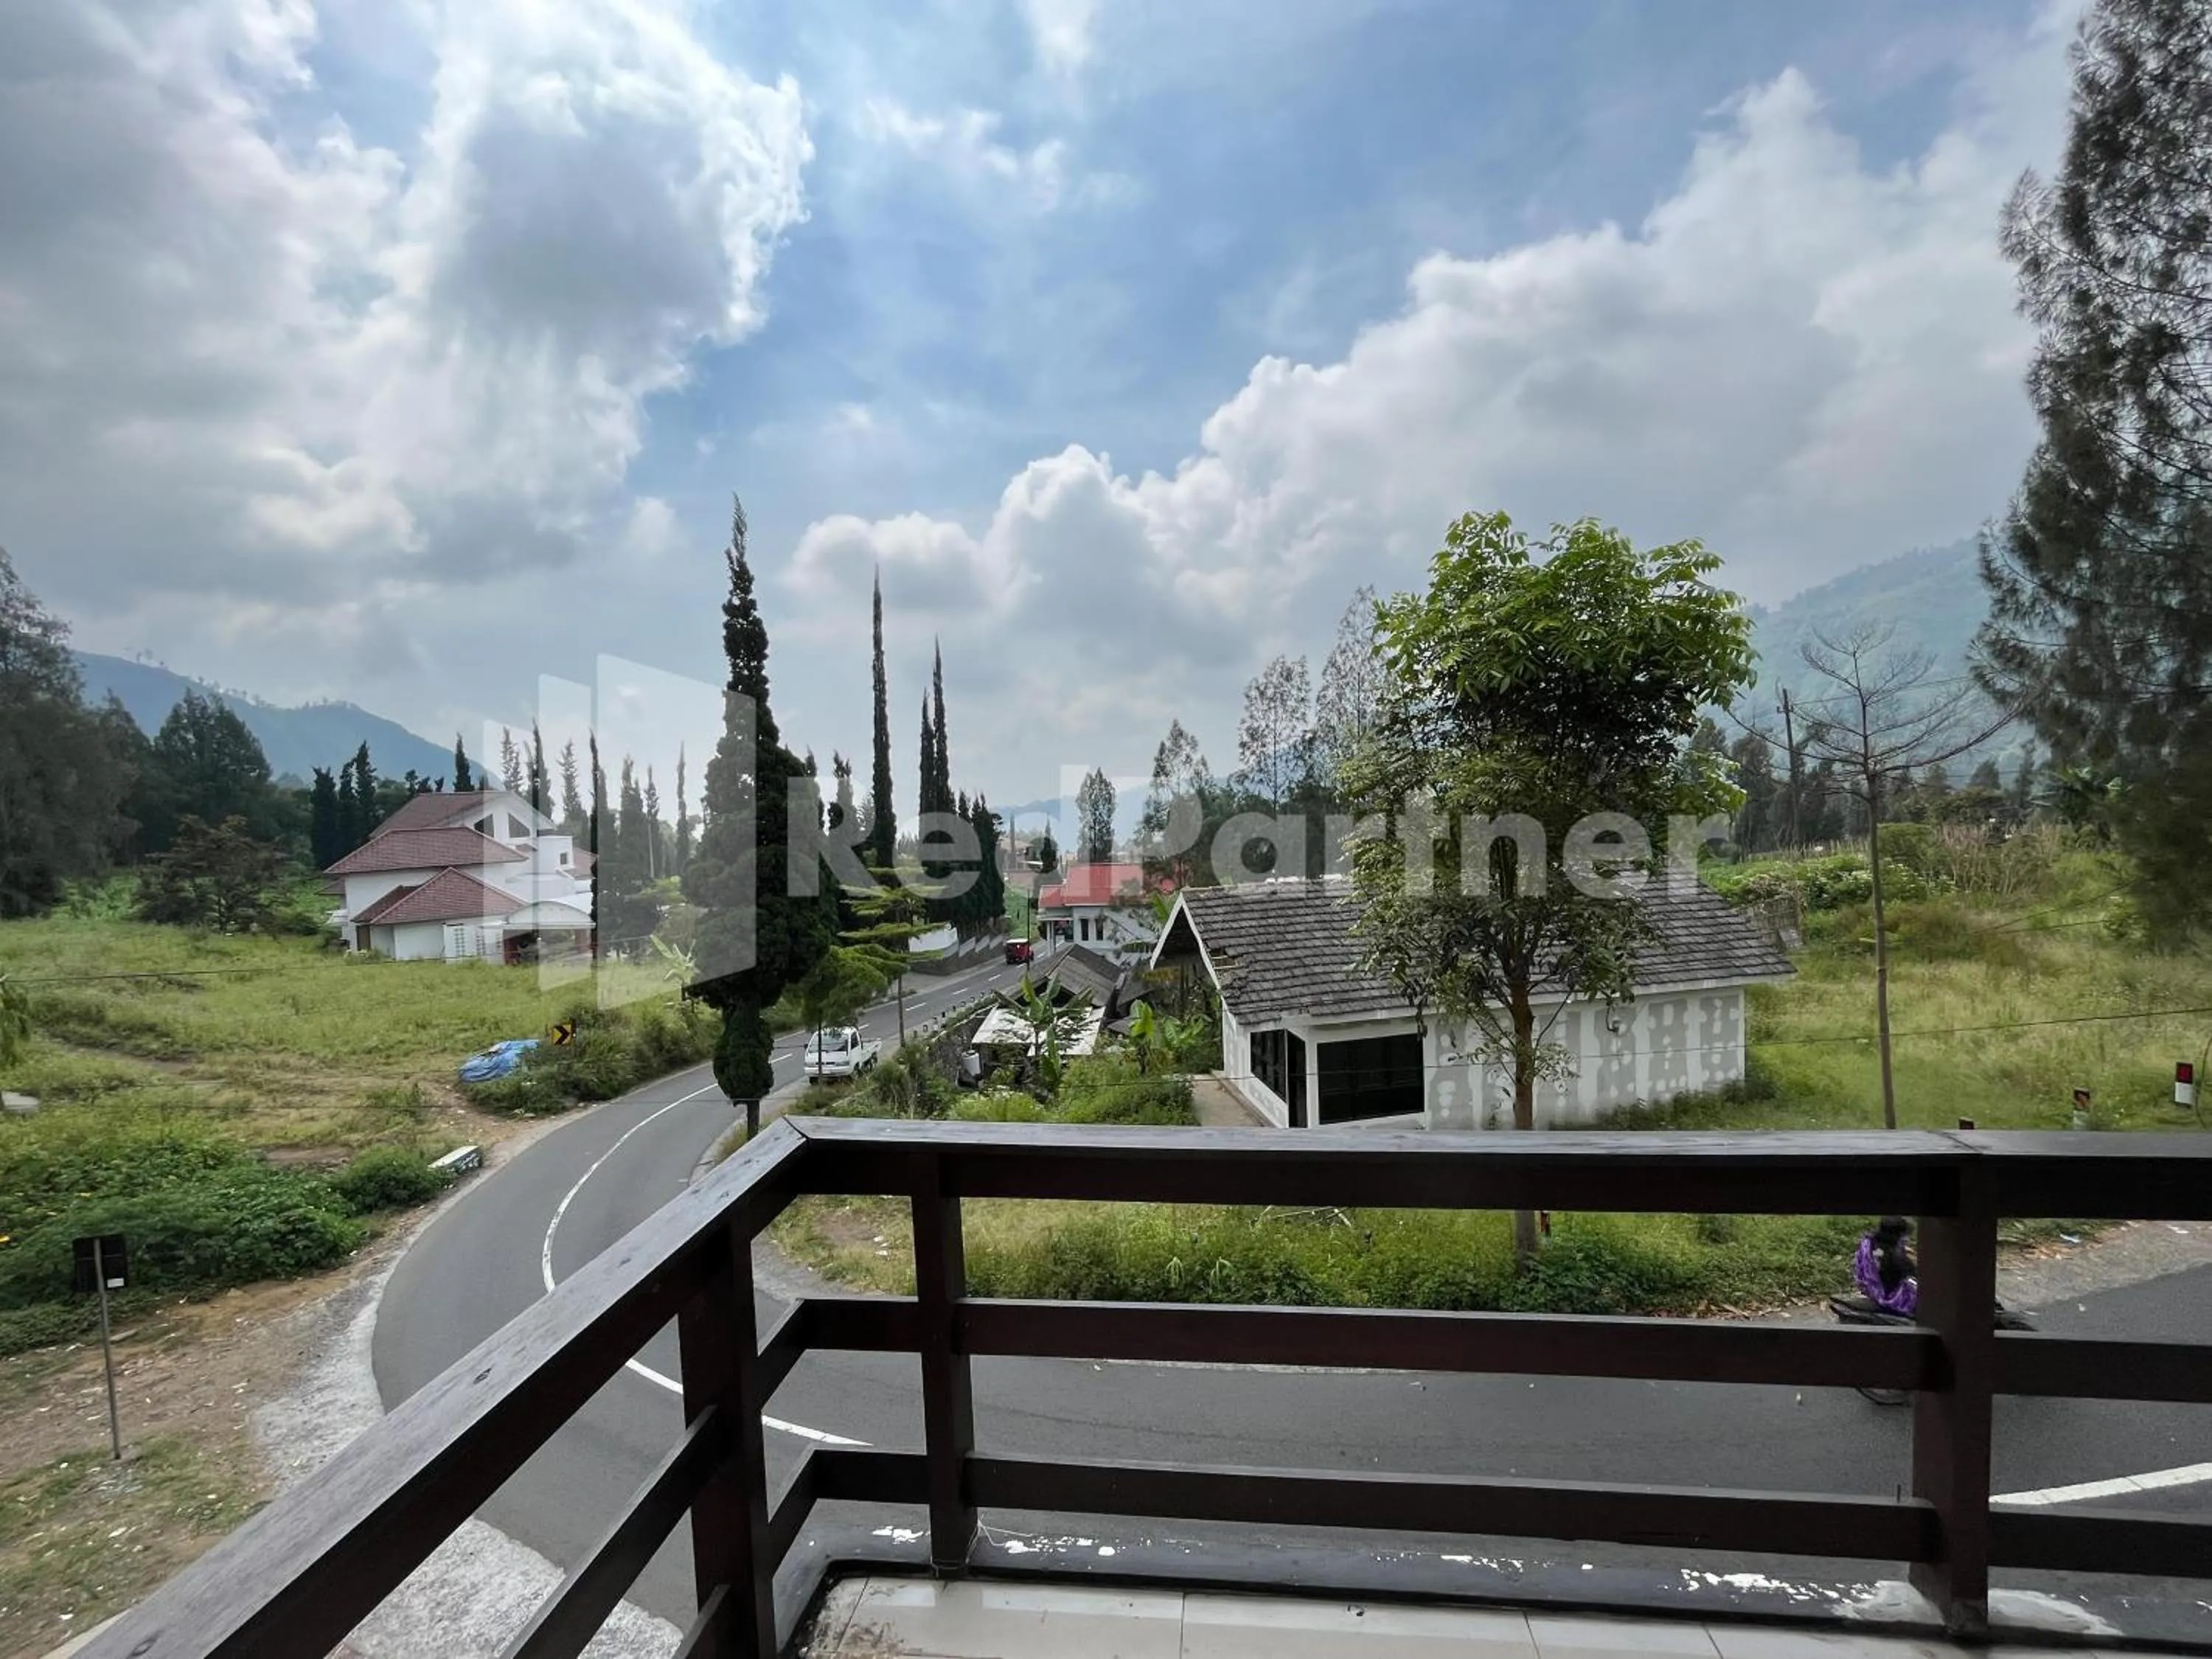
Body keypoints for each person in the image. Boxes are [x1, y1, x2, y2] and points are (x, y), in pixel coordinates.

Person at [1855, 1215, 1918, 1318]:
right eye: (1904, 1236)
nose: (1906, 1239)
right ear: (1898, 1235)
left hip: (1871, 1289)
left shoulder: (1867, 1243)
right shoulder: (1896, 1257)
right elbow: (1913, 1277)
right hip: (1892, 1298)